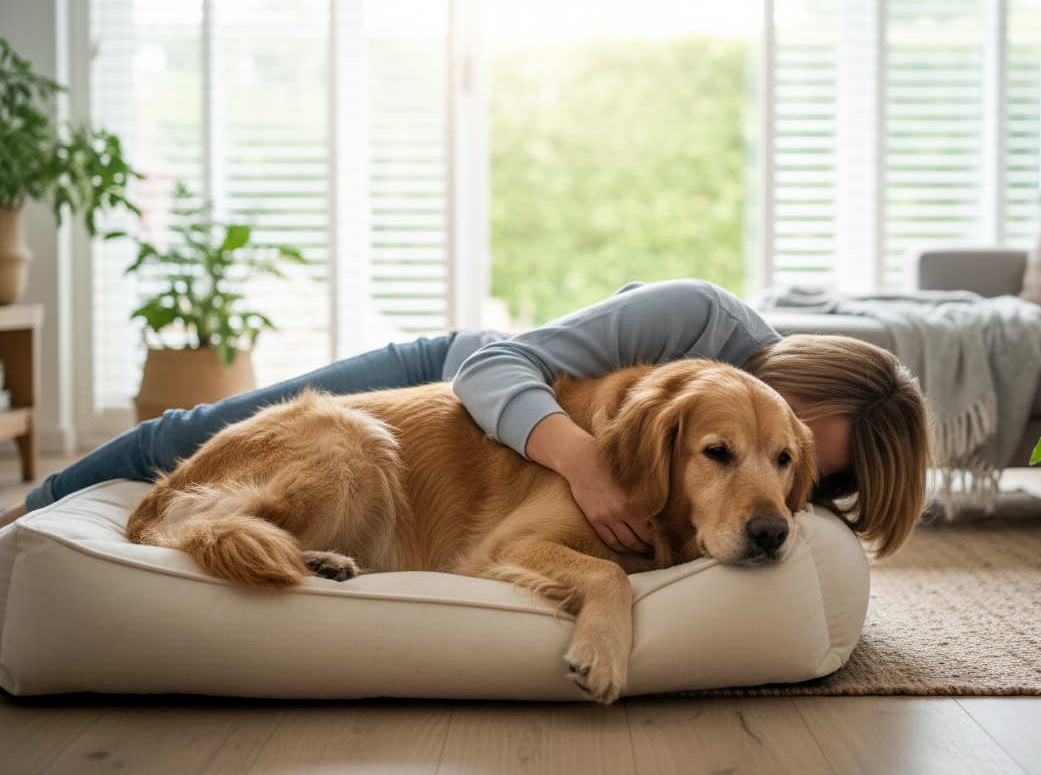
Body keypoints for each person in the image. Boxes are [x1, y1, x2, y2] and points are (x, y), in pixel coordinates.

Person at [0, 279, 930, 559]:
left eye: (812, 469)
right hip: (459, 377)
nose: (784, 463)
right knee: (188, 431)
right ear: (801, 371)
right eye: (802, 418)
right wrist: (586, 466)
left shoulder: (768, 455)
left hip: (506, 433)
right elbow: (496, 364)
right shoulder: (702, 323)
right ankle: (27, 516)